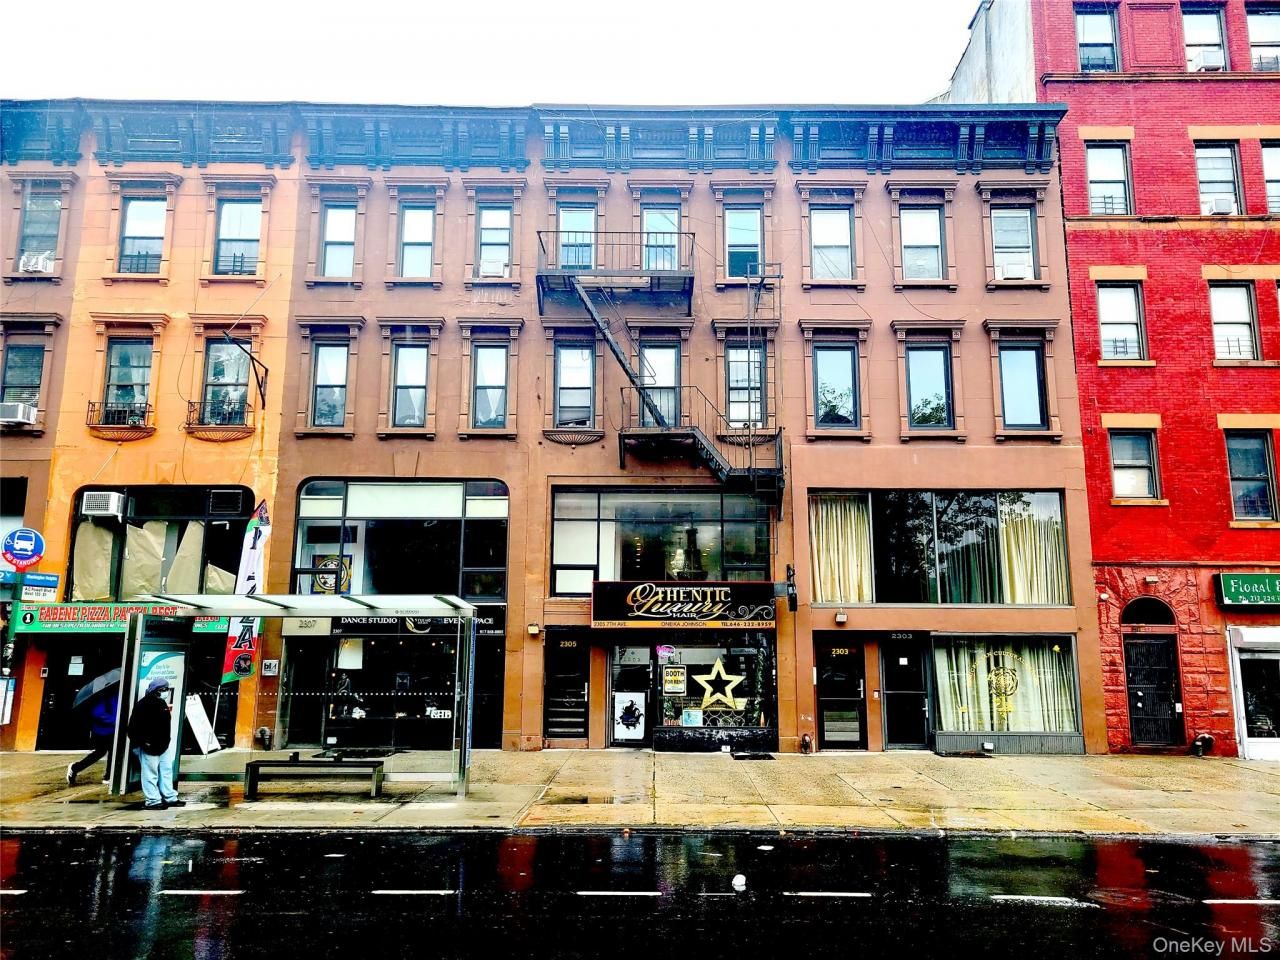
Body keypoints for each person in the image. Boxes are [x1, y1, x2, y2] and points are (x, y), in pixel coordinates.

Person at [126, 677, 185, 810]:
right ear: (157, 690)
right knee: (150, 773)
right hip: (150, 746)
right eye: (164, 689)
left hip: (162, 745)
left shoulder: (161, 703)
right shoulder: (143, 705)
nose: (166, 691)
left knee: (166, 771)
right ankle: (153, 800)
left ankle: (169, 797)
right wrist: (144, 743)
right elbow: (133, 728)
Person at [66, 691, 118, 787]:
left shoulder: (115, 694)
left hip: (112, 730)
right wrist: (115, 721)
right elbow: (97, 712)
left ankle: (108, 776)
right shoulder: (102, 696)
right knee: (100, 752)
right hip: (102, 731)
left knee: (113, 752)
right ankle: (75, 768)